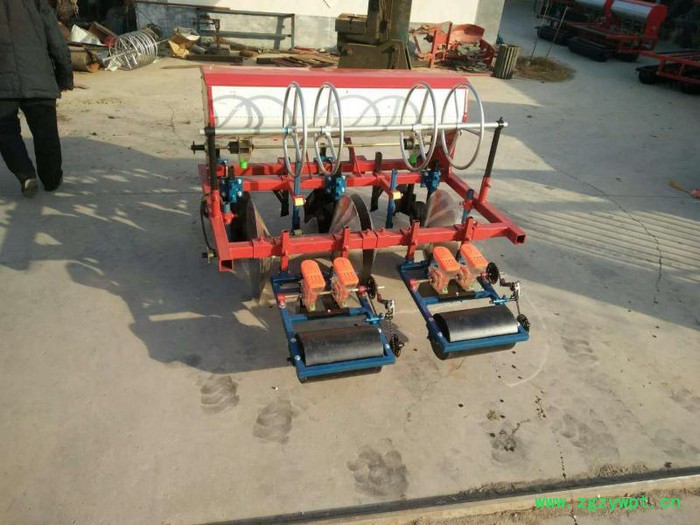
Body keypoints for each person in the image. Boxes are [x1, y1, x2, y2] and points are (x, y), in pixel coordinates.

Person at [0, 0, 74, 197]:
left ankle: (25, 174)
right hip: (38, 76)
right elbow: (57, 42)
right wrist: (65, 77)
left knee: (6, 132)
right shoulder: (36, 3)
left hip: (3, 82)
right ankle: (51, 179)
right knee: (46, 132)